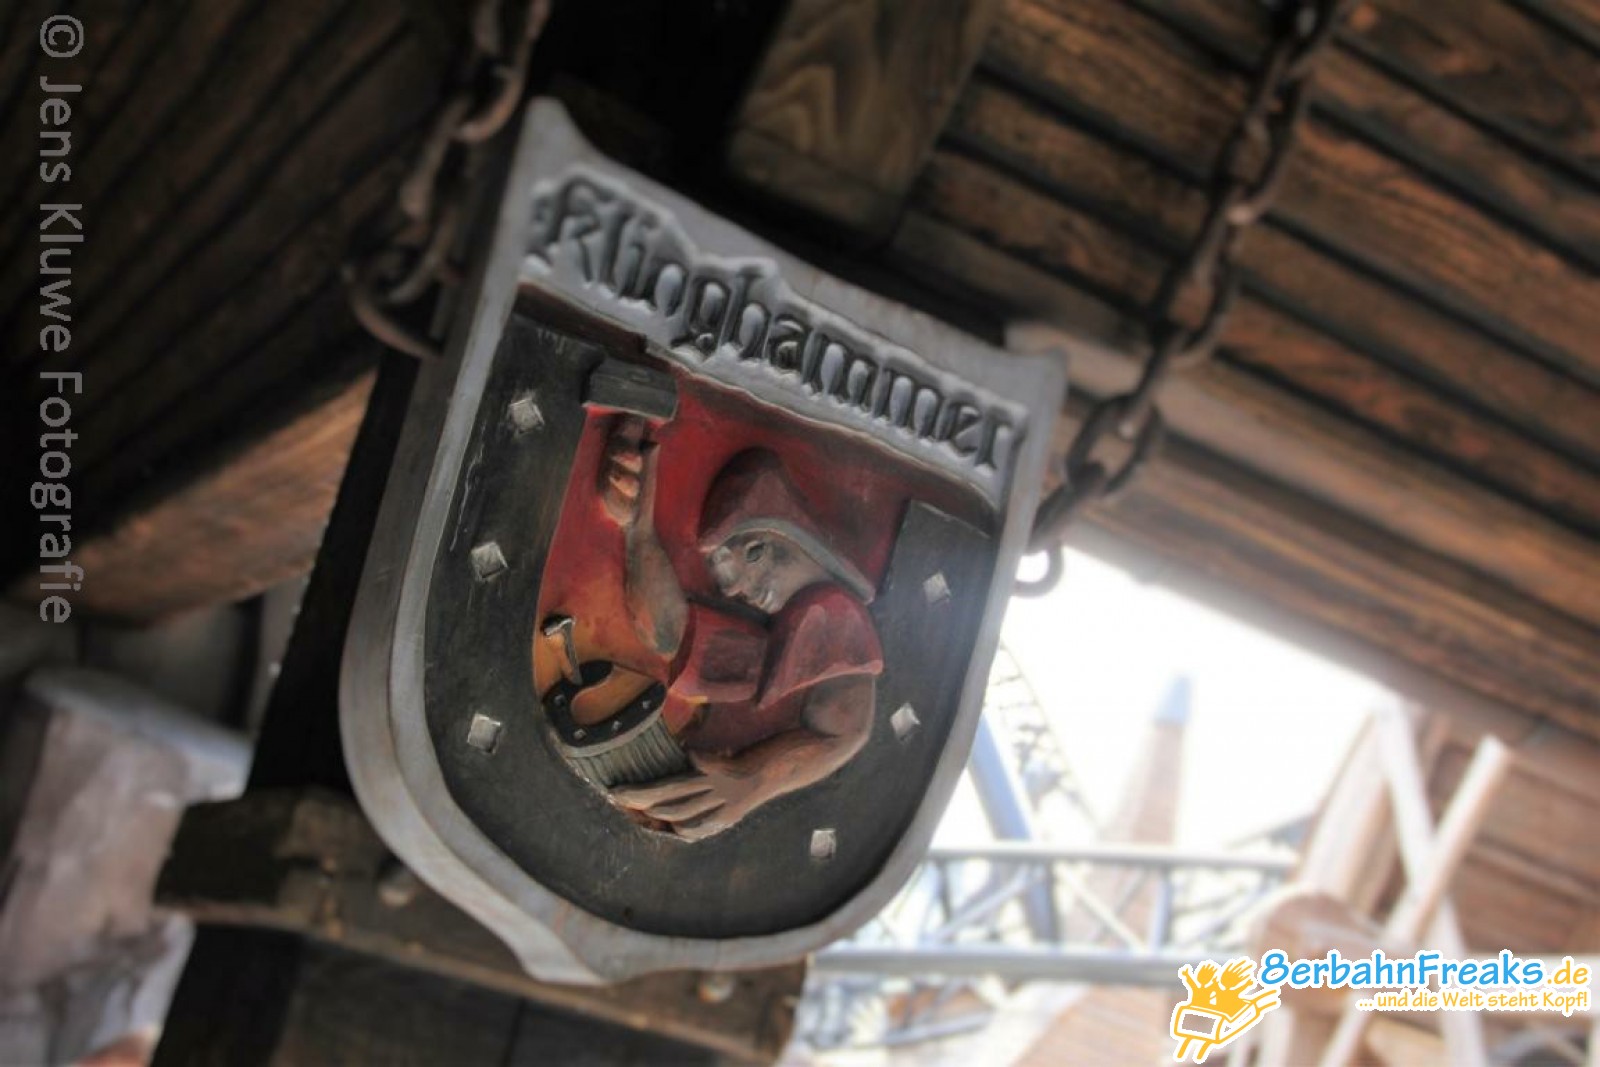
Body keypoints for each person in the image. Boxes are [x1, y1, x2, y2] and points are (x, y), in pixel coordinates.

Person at [598, 416, 882, 841]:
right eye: (723, 573)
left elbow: (847, 729)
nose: (733, 590)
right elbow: (670, 632)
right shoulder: (775, 638)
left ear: (779, 540)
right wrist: (638, 532)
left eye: (745, 558)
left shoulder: (831, 615)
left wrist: (755, 779)